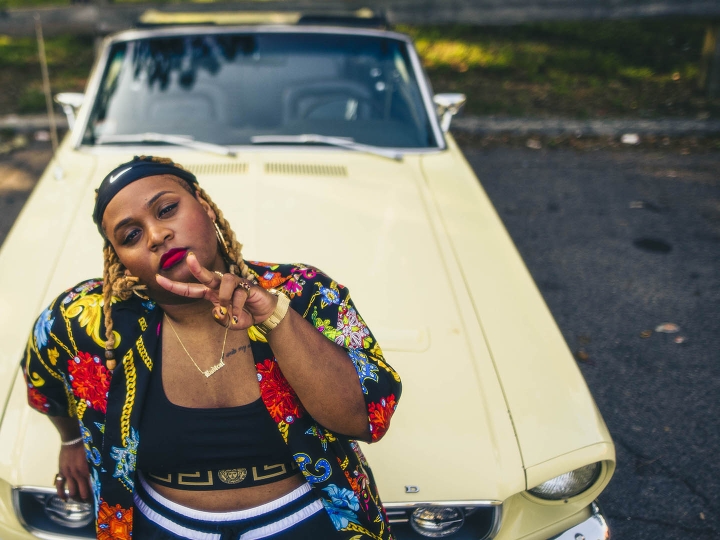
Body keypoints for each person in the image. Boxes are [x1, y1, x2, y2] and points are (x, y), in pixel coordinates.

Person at [22, 155, 401, 540]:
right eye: (130, 236)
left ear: (204, 205)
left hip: (307, 520)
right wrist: (70, 441)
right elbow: (41, 380)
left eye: (167, 209)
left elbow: (367, 419)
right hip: (165, 526)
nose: (156, 235)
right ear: (119, 259)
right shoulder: (83, 320)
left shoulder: (303, 291)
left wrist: (275, 316)